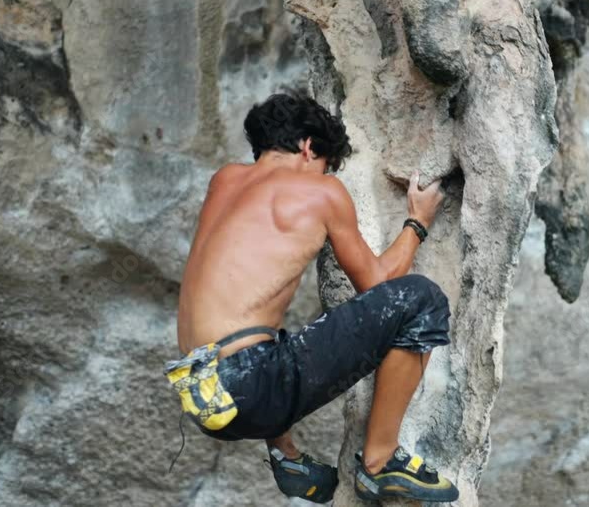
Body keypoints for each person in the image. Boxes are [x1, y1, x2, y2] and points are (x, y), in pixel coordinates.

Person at [163, 92, 458, 503]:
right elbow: (379, 285)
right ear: (307, 147)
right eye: (325, 163)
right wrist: (417, 222)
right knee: (421, 299)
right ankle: (380, 461)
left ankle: (287, 456)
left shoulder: (225, 180)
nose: (325, 173)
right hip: (252, 386)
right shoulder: (320, 190)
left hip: (201, 392)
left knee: (263, 333)